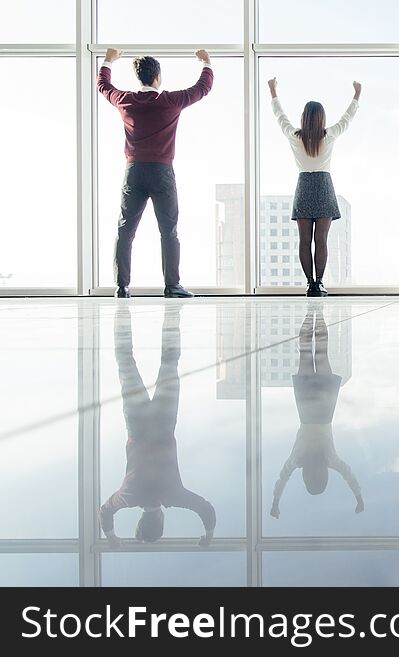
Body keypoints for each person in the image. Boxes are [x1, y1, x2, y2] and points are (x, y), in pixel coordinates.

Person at [98, 48, 214, 299]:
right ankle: (172, 286)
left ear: (139, 77)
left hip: (135, 171)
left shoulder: (125, 100)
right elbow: (202, 88)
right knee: (168, 230)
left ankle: (122, 287)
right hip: (161, 172)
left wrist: (108, 59)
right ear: (158, 77)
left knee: (125, 230)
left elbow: (103, 86)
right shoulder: (169, 101)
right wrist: (205, 62)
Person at [100, 304, 216, 547]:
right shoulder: (127, 497)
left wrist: (209, 535)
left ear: (161, 521)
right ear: (140, 521)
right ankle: (122, 305)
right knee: (125, 361)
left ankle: (171, 308)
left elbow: (206, 509)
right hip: (137, 423)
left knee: (170, 361)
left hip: (164, 422)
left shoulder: (173, 494)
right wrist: (111, 537)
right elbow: (105, 512)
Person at [268, 77, 361, 297]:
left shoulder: (294, 136)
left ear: (303, 118)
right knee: (321, 240)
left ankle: (309, 283)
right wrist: (357, 94)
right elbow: (347, 119)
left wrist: (273, 91)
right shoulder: (328, 136)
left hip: (304, 186)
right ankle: (319, 283)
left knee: (304, 240)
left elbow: (279, 116)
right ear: (321, 119)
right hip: (323, 186)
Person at [270, 305, 364, 518]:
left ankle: (313, 313)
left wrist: (276, 502)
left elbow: (281, 481)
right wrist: (358, 498)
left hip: (315, 410)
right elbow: (349, 476)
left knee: (312, 351)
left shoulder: (303, 460)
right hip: (317, 409)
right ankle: (315, 313)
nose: (316, 473)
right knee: (318, 352)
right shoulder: (326, 460)